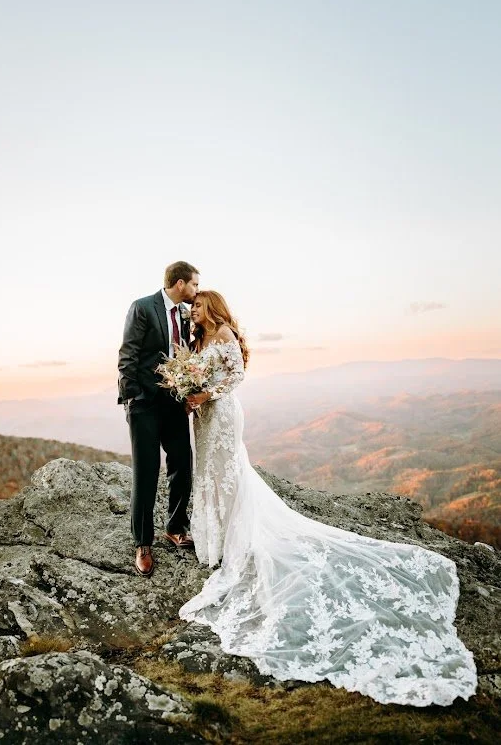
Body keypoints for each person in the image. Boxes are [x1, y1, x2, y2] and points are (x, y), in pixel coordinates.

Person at [179, 290, 477, 707]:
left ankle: (233, 537)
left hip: (222, 414)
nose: (192, 310)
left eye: (197, 305)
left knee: (228, 474)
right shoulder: (198, 340)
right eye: (190, 306)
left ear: (211, 307)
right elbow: (201, 374)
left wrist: (205, 395)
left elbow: (234, 378)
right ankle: (215, 537)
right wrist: (189, 391)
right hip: (204, 418)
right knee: (208, 473)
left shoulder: (224, 333)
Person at [118, 261, 199, 576]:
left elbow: (186, 356)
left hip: (174, 403)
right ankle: (142, 543)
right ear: (180, 283)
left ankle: (176, 526)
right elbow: (128, 354)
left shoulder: (183, 313)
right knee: (147, 472)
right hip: (145, 405)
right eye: (193, 285)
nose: (196, 290)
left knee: (182, 463)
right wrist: (133, 397)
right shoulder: (142, 308)